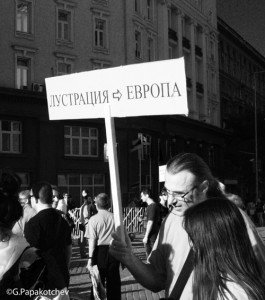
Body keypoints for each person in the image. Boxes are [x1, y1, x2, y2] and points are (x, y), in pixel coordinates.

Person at [109, 153, 265, 299]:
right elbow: (157, 280)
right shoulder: (172, 219)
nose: (170, 201)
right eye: (167, 191)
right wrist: (129, 258)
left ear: (204, 187)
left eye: (179, 194)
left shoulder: (232, 220)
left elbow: (255, 282)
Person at [183, 198, 265, 300]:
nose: (191, 244)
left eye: (194, 238)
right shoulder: (223, 278)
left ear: (213, 241)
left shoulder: (234, 292)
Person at [24, 181, 72, 291]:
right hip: (61, 276)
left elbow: (29, 256)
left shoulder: (33, 224)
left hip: (42, 280)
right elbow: (69, 251)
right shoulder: (63, 220)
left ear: (35, 199)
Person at [86, 193, 121, 300]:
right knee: (114, 281)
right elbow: (121, 237)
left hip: (99, 251)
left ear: (96, 204)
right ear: (108, 204)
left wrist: (90, 258)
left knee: (97, 281)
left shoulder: (93, 219)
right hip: (113, 250)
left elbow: (92, 241)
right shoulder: (115, 218)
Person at [140, 188, 161, 258]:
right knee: (150, 257)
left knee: (151, 258)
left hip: (151, 237)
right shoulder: (150, 206)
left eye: (142, 196)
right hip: (150, 236)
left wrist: (146, 236)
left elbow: (150, 222)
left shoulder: (152, 206)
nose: (141, 198)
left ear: (147, 195)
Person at [78, 189, 91, 258]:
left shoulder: (83, 205)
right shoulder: (86, 206)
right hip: (85, 224)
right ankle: (83, 253)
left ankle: (82, 253)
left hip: (81, 223)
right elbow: (86, 217)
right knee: (85, 239)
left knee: (82, 239)